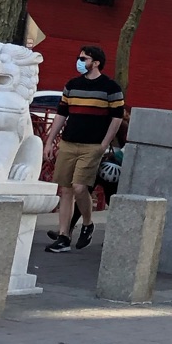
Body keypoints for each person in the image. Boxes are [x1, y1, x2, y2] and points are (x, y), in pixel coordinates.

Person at [45, 46, 125, 254]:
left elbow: (117, 118)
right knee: (66, 190)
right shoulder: (71, 85)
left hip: (92, 146)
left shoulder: (110, 88)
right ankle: (63, 236)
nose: (79, 61)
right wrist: (50, 141)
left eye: (83, 58)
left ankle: (88, 224)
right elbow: (61, 114)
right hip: (69, 143)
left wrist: (104, 144)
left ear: (96, 62)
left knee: (80, 187)